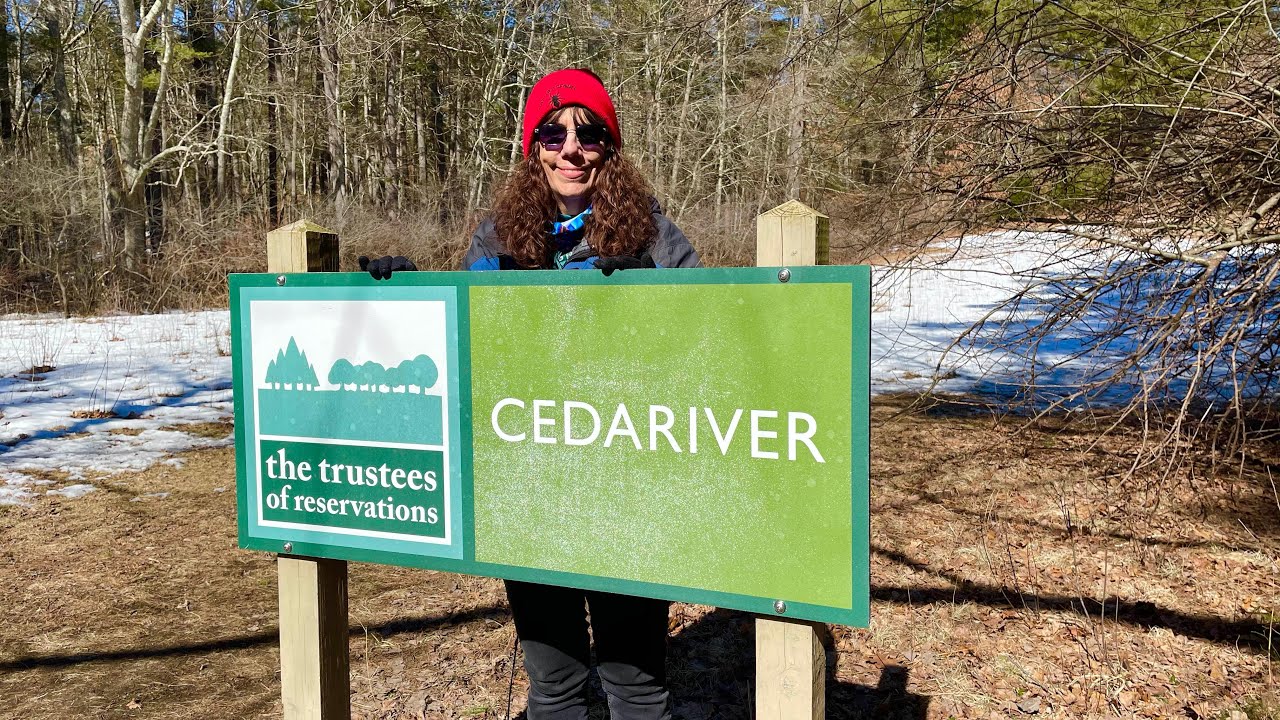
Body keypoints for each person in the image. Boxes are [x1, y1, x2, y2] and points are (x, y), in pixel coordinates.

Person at [360, 68, 699, 719]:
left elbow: (710, 345)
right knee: (557, 686)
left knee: (636, 687)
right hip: (532, 489)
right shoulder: (496, 240)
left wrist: (656, 297)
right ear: (533, 146)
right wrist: (400, 302)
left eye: (590, 133)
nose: (571, 149)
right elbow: (462, 348)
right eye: (553, 131)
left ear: (610, 147)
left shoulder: (656, 237)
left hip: (628, 489)